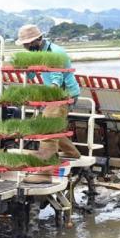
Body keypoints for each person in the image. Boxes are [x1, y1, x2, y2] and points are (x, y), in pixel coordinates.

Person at [15, 25, 81, 182]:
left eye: (28, 43)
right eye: (24, 44)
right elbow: (31, 73)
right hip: (52, 94)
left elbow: (57, 75)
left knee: (47, 129)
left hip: (63, 93)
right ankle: (73, 153)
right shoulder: (36, 52)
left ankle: (44, 173)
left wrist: (52, 90)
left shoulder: (55, 53)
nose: (26, 46)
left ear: (38, 39)